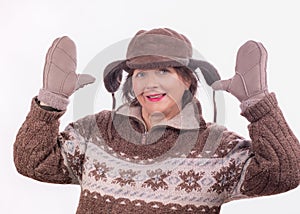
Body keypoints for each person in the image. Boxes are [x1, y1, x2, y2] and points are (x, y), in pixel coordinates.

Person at [13, 28, 300, 214]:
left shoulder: (217, 147)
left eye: (163, 71)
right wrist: (50, 102)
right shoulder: (98, 130)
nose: (150, 83)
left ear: (187, 80)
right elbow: (34, 162)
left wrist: (259, 106)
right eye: (140, 74)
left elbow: (283, 174)